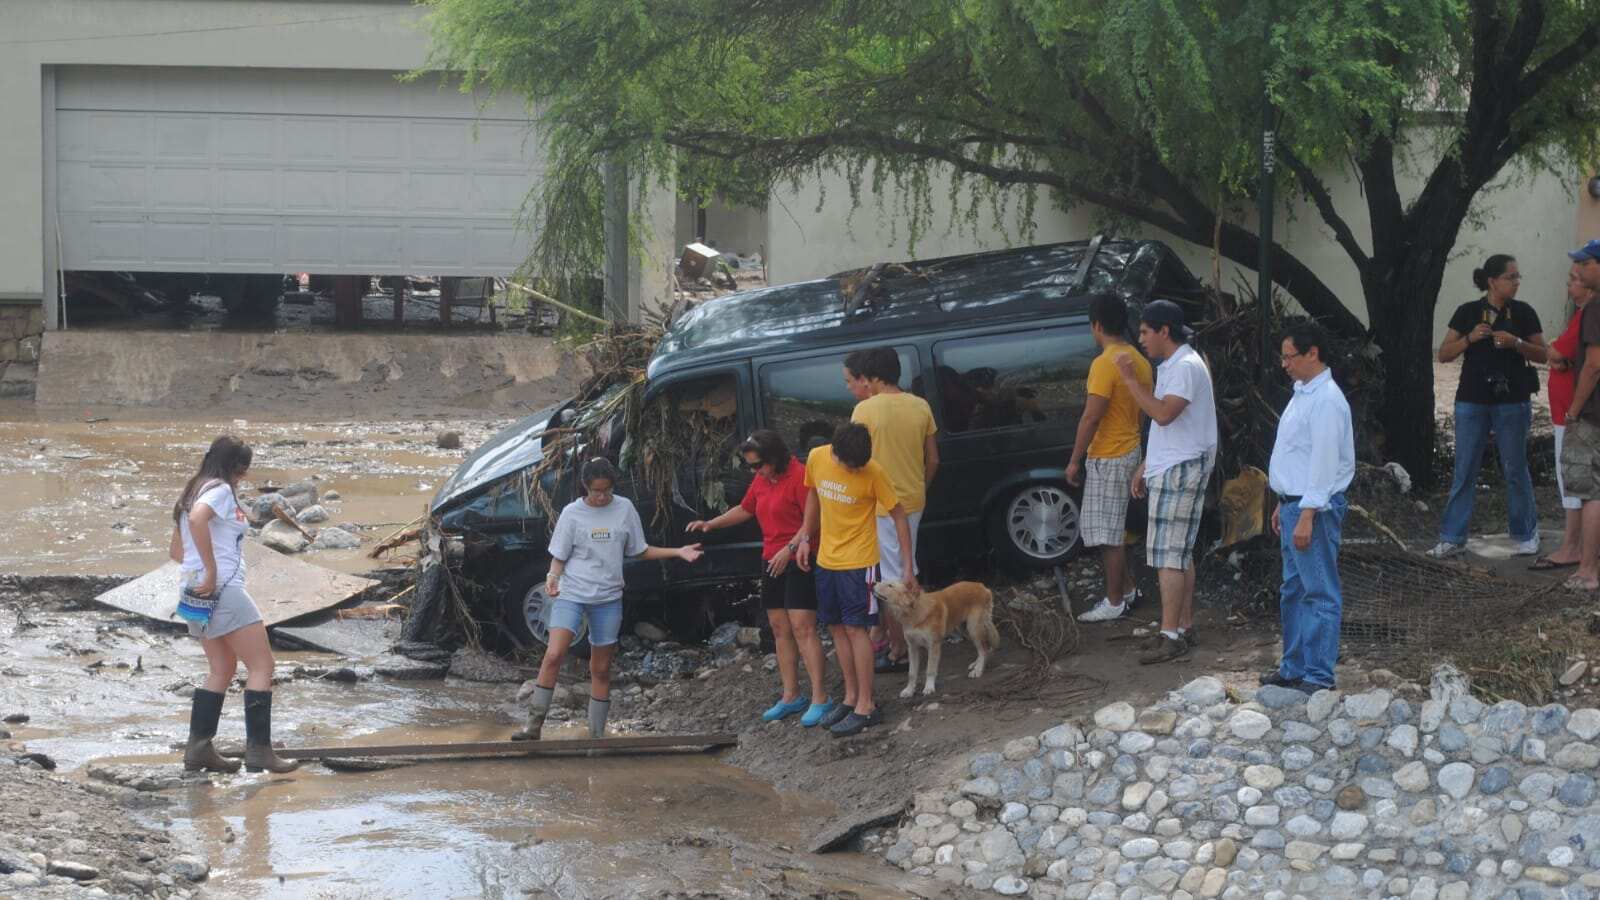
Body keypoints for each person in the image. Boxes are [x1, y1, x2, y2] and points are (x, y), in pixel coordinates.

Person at [512, 458, 704, 741]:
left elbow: (638, 550)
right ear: (585, 488)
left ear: (613, 486)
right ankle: (533, 726)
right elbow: (559, 557)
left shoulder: (624, 508)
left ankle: (596, 736)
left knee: (601, 668)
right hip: (573, 593)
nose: (601, 497)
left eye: (606, 491)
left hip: (608, 597)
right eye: (595, 491)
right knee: (554, 655)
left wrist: (677, 552)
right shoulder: (572, 513)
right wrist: (552, 578)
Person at [168, 435, 298, 774]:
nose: (243, 478)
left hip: (193, 589)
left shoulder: (191, 489)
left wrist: (202, 569)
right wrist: (213, 569)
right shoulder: (221, 491)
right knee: (261, 666)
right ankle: (259, 753)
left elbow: (177, 552)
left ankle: (198, 750)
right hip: (221, 588)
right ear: (237, 468)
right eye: (244, 471)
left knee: (222, 669)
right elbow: (198, 520)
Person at [687, 430, 834, 726]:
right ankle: (791, 695)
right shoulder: (762, 479)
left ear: (775, 458)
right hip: (771, 557)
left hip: (800, 558)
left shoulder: (800, 476)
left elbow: (813, 521)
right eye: (751, 466)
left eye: (759, 465)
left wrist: (790, 549)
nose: (755, 471)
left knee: (803, 627)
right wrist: (710, 524)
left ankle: (821, 696)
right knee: (780, 628)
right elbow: (746, 508)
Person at [796, 423, 917, 737]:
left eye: (857, 466)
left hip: (859, 563)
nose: (853, 470)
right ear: (834, 451)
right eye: (848, 465)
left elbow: (899, 514)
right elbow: (813, 495)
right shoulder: (817, 457)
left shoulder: (873, 472)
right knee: (836, 627)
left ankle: (867, 705)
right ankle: (850, 698)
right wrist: (806, 537)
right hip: (826, 558)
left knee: (856, 628)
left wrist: (906, 567)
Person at [1115, 299, 1218, 664]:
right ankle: (1182, 628)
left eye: (1145, 331)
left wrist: (1129, 380)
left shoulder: (1184, 366)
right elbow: (1171, 424)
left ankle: (1170, 634)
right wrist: (1147, 463)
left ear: (1164, 331)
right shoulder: (1176, 365)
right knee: (1178, 553)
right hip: (1172, 464)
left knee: (1168, 557)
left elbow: (1162, 415)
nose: (1141, 338)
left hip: (1182, 468)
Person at [1430, 254, 1546, 558]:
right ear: (1492, 281)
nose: (1516, 282)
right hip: (1472, 400)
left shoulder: (1523, 313)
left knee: (1515, 467)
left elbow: (1543, 354)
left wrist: (1517, 343)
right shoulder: (1468, 312)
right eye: (1511, 277)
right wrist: (1470, 338)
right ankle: (1453, 537)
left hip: (1512, 401)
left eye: (1518, 277)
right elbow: (1443, 354)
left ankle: (1525, 533)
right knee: (1465, 468)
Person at [1263, 322, 1355, 695]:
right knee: (1294, 590)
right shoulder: (1303, 392)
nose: (1284, 364)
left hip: (1311, 508)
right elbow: (1297, 456)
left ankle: (1318, 676)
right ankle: (1294, 667)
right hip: (1294, 504)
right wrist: (1284, 503)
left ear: (1312, 353)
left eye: (1289, 356)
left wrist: (1306, 512)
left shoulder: (1327, 400)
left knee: (1318, 592)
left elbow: (1324, 462)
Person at [846, 347, 939, 673]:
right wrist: (920, 488)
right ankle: (902, 638)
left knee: (892, 580)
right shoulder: (921, 405)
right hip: (914, 500)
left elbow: (855, 462)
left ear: (871, 378)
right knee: (906, 568)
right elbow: (933, 459)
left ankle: (900, 648)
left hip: (883, 507)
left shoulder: (864, 411)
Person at [1067, 294, 1154, 623]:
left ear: (1097, 325)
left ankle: (1115, 601)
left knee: (1108, 535)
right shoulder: (1140, 361)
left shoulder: (1105, 363)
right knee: (1118, 531)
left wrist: (1075, 459)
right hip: (1131, 449)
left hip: (1109, 453)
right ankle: (1129, 590)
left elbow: (1091, 417)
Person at [1534, 262, 1600, 570]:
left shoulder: (1590, 313)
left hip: (1575, 414)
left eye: (1577, 277)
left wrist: (1574, 410)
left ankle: (1575, 550)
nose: (1571, 285)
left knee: (1578, 485)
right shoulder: (1582, 315)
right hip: (1571, 410)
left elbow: (1561, 354)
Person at [1558, 239, 1600, 591]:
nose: (1580, 272)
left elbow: (1593, 365)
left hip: (1592, 415)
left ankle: (1587, 571)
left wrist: (1573, 410)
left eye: (1584, 265)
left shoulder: (1596, 308)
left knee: (1591, 494)